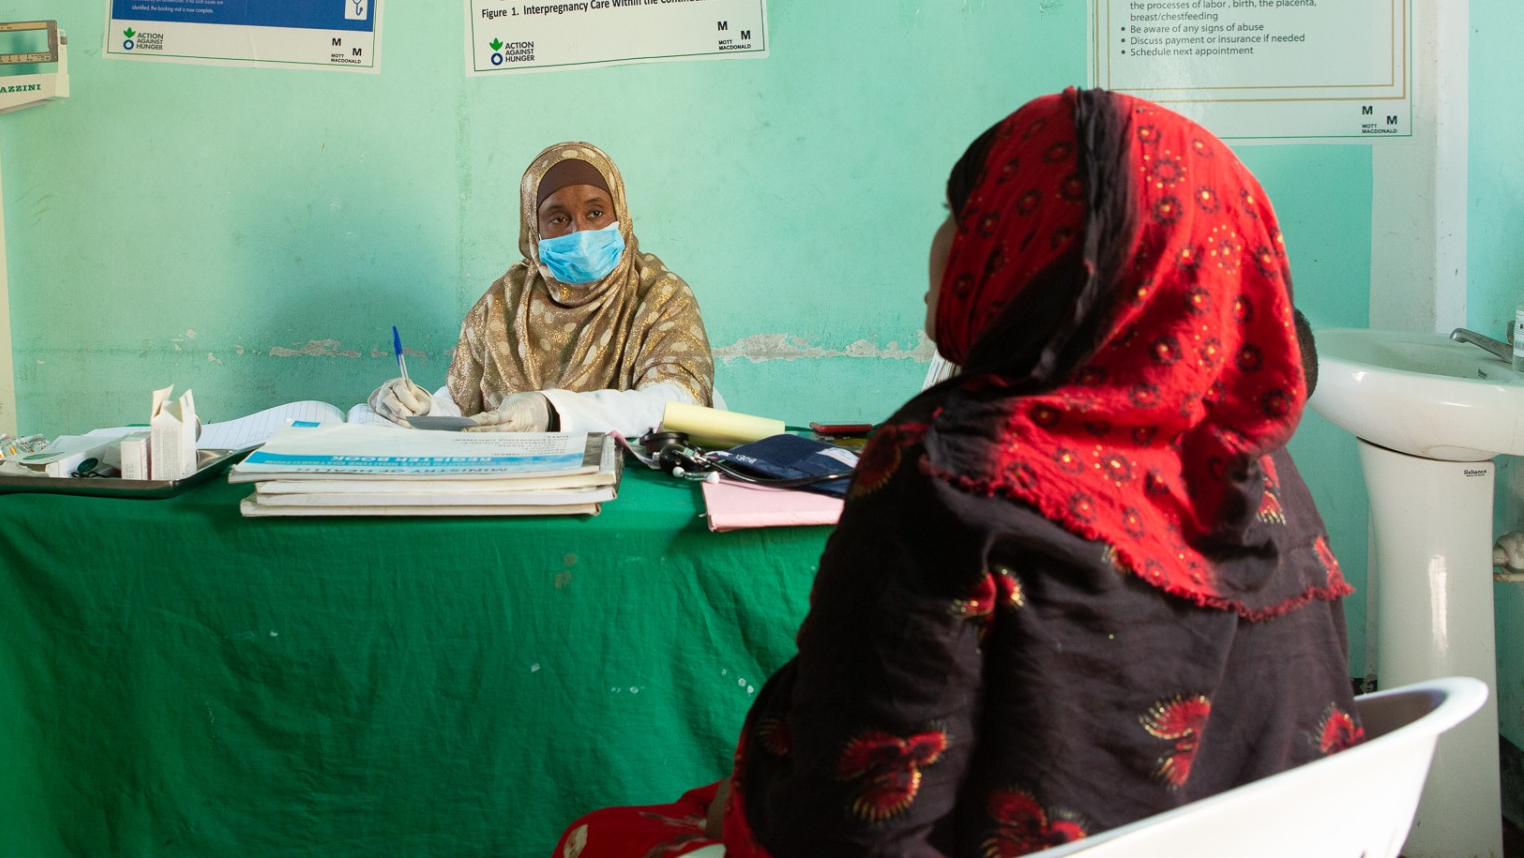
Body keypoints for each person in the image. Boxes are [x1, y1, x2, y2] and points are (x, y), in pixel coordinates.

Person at [551, 89, 1358, 858]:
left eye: (961, 214)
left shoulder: (947, 471)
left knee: (598, 836)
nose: (943, 244)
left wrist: (749, 796)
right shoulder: (1258, 465)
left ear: (1036, 248)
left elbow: (854, 821)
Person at [367, 141, 715, 434]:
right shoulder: (501, 306)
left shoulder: (659, 296)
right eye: (558, 218)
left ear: (620, 214)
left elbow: (677, 400)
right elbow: (465, 408)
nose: (578, 232)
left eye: (595, 213)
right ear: (534, 230)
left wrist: (553, 411)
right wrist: (423, 407)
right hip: (508, 489)